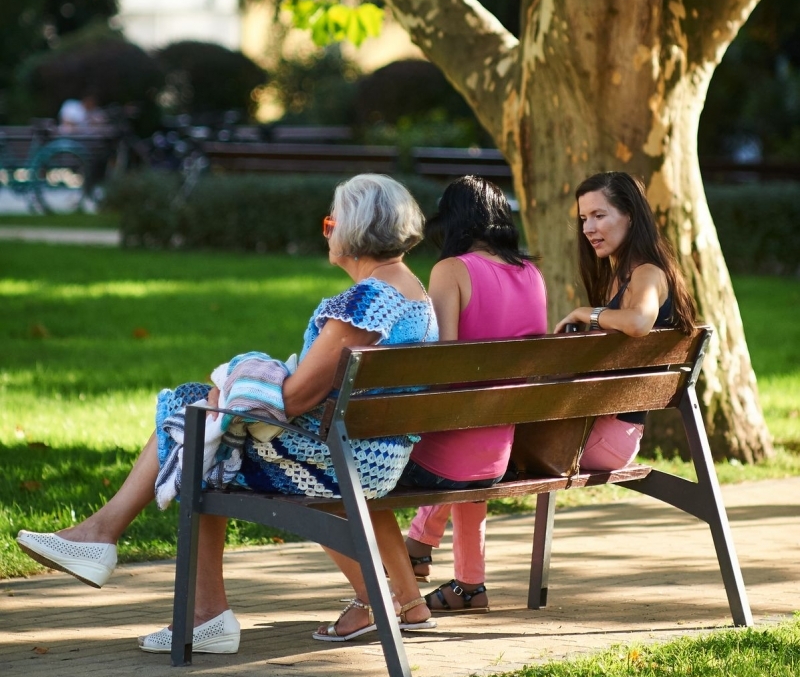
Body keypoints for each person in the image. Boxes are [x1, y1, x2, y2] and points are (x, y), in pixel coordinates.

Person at [16, 174, 437, 650]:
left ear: (353, 230)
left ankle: (171, 590)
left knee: (198, 430)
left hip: (343, 458)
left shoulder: (368, 301)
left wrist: (243, 379)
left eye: (330, 222)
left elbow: (295, 400)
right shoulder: (411, 292)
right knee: (202, 414)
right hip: (373, 450)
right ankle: (116, 548)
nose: (327, 231)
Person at [401, 176, 548, 613]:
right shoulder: (532, 274)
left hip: (446, 459)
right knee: (471, 433)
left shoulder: (452, 271)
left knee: (376, 457)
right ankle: (468, 585)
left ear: (454, 221)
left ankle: (409, 557)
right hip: (496, 455)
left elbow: (443, 364)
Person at [555, 170, 697, 471]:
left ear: (630, 216)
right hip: (595, 426)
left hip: (608, 438)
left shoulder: (648, 274)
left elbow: (638, 323)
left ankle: (428, 521)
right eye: (584, 219)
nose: (588, 228)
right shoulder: (617, 277)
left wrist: (587, 313)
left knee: (487, 450)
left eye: (599, 215)